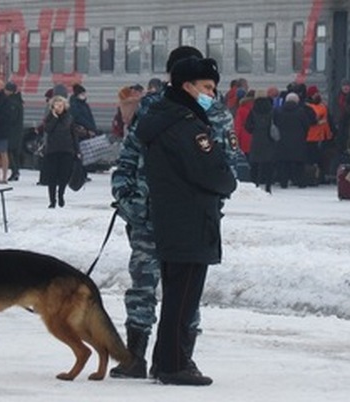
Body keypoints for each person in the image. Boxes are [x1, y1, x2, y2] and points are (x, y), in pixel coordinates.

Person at [135, 56, 236, 386]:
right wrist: (227, 180)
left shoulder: (162, 119)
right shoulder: (186, 125)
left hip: (173, 217)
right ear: (187, 86)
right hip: (191, 219)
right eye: (206, 87)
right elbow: (212, 172)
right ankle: (174, 364)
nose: (211, 93)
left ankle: (166, 359)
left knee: (177, 293)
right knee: (183, 297)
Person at [109, 45, 208, 380]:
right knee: (159, 288)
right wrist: (128, 200)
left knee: (172, 289)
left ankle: (171, 357)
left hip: (181, 217)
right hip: (151, 215)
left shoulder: (211, 113)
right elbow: (127, 160)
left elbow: (221, 168)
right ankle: (144, 356)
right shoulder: (151, 110)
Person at [40, 95, 78, 208]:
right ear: (52, 107)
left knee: (64, 175)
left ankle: (61, 194)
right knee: (52, 177)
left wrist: (77, 150)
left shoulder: (69, 118)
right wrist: (55, 117)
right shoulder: (49, 118)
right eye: (56, 105)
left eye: (61, 106)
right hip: (52, 150)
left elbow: (73, 134)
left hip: (67, 150)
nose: (59, 108)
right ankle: (52, 200)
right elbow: (47, 129)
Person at [274, 92, 311, 188]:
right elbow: (306, 125)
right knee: (299, 163)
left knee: (283, 163)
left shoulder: (279, 111)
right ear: (297, 101)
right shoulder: (301, 112)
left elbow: (275, 124)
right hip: (298, 141)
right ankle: (300, 182)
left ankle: (283, 182)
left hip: (282, 141)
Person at [244, 88, 279, 193]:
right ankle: (268, 186)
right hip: (269, 139)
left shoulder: (253, 110)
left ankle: (255, 185)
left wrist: (254, 130)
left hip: (257, 139)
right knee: (268, 164)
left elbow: (248, 126)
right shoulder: (272, 109)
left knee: (255, 164)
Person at [5, 81, 24, 182]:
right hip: (17, 130)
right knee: (14, 152)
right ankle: (15, 171)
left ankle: (14, 171)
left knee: (10, 151)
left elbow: (12, 117)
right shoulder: (17, 100)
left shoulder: (12, 102)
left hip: (12, 131)